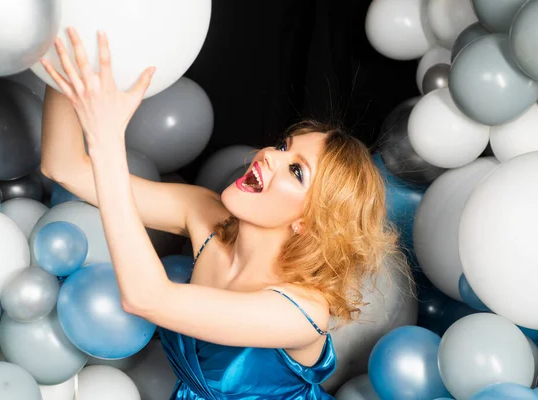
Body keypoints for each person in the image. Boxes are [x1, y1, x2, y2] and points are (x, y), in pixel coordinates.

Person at [39, 27, 406, 400]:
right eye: (283, 146)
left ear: (309, 222)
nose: (269, 155)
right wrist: (65, 48)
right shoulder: (204, 213)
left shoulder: (300, 312)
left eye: (296, 171)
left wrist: (107, 139)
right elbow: (64, 166)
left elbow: (146, 297)